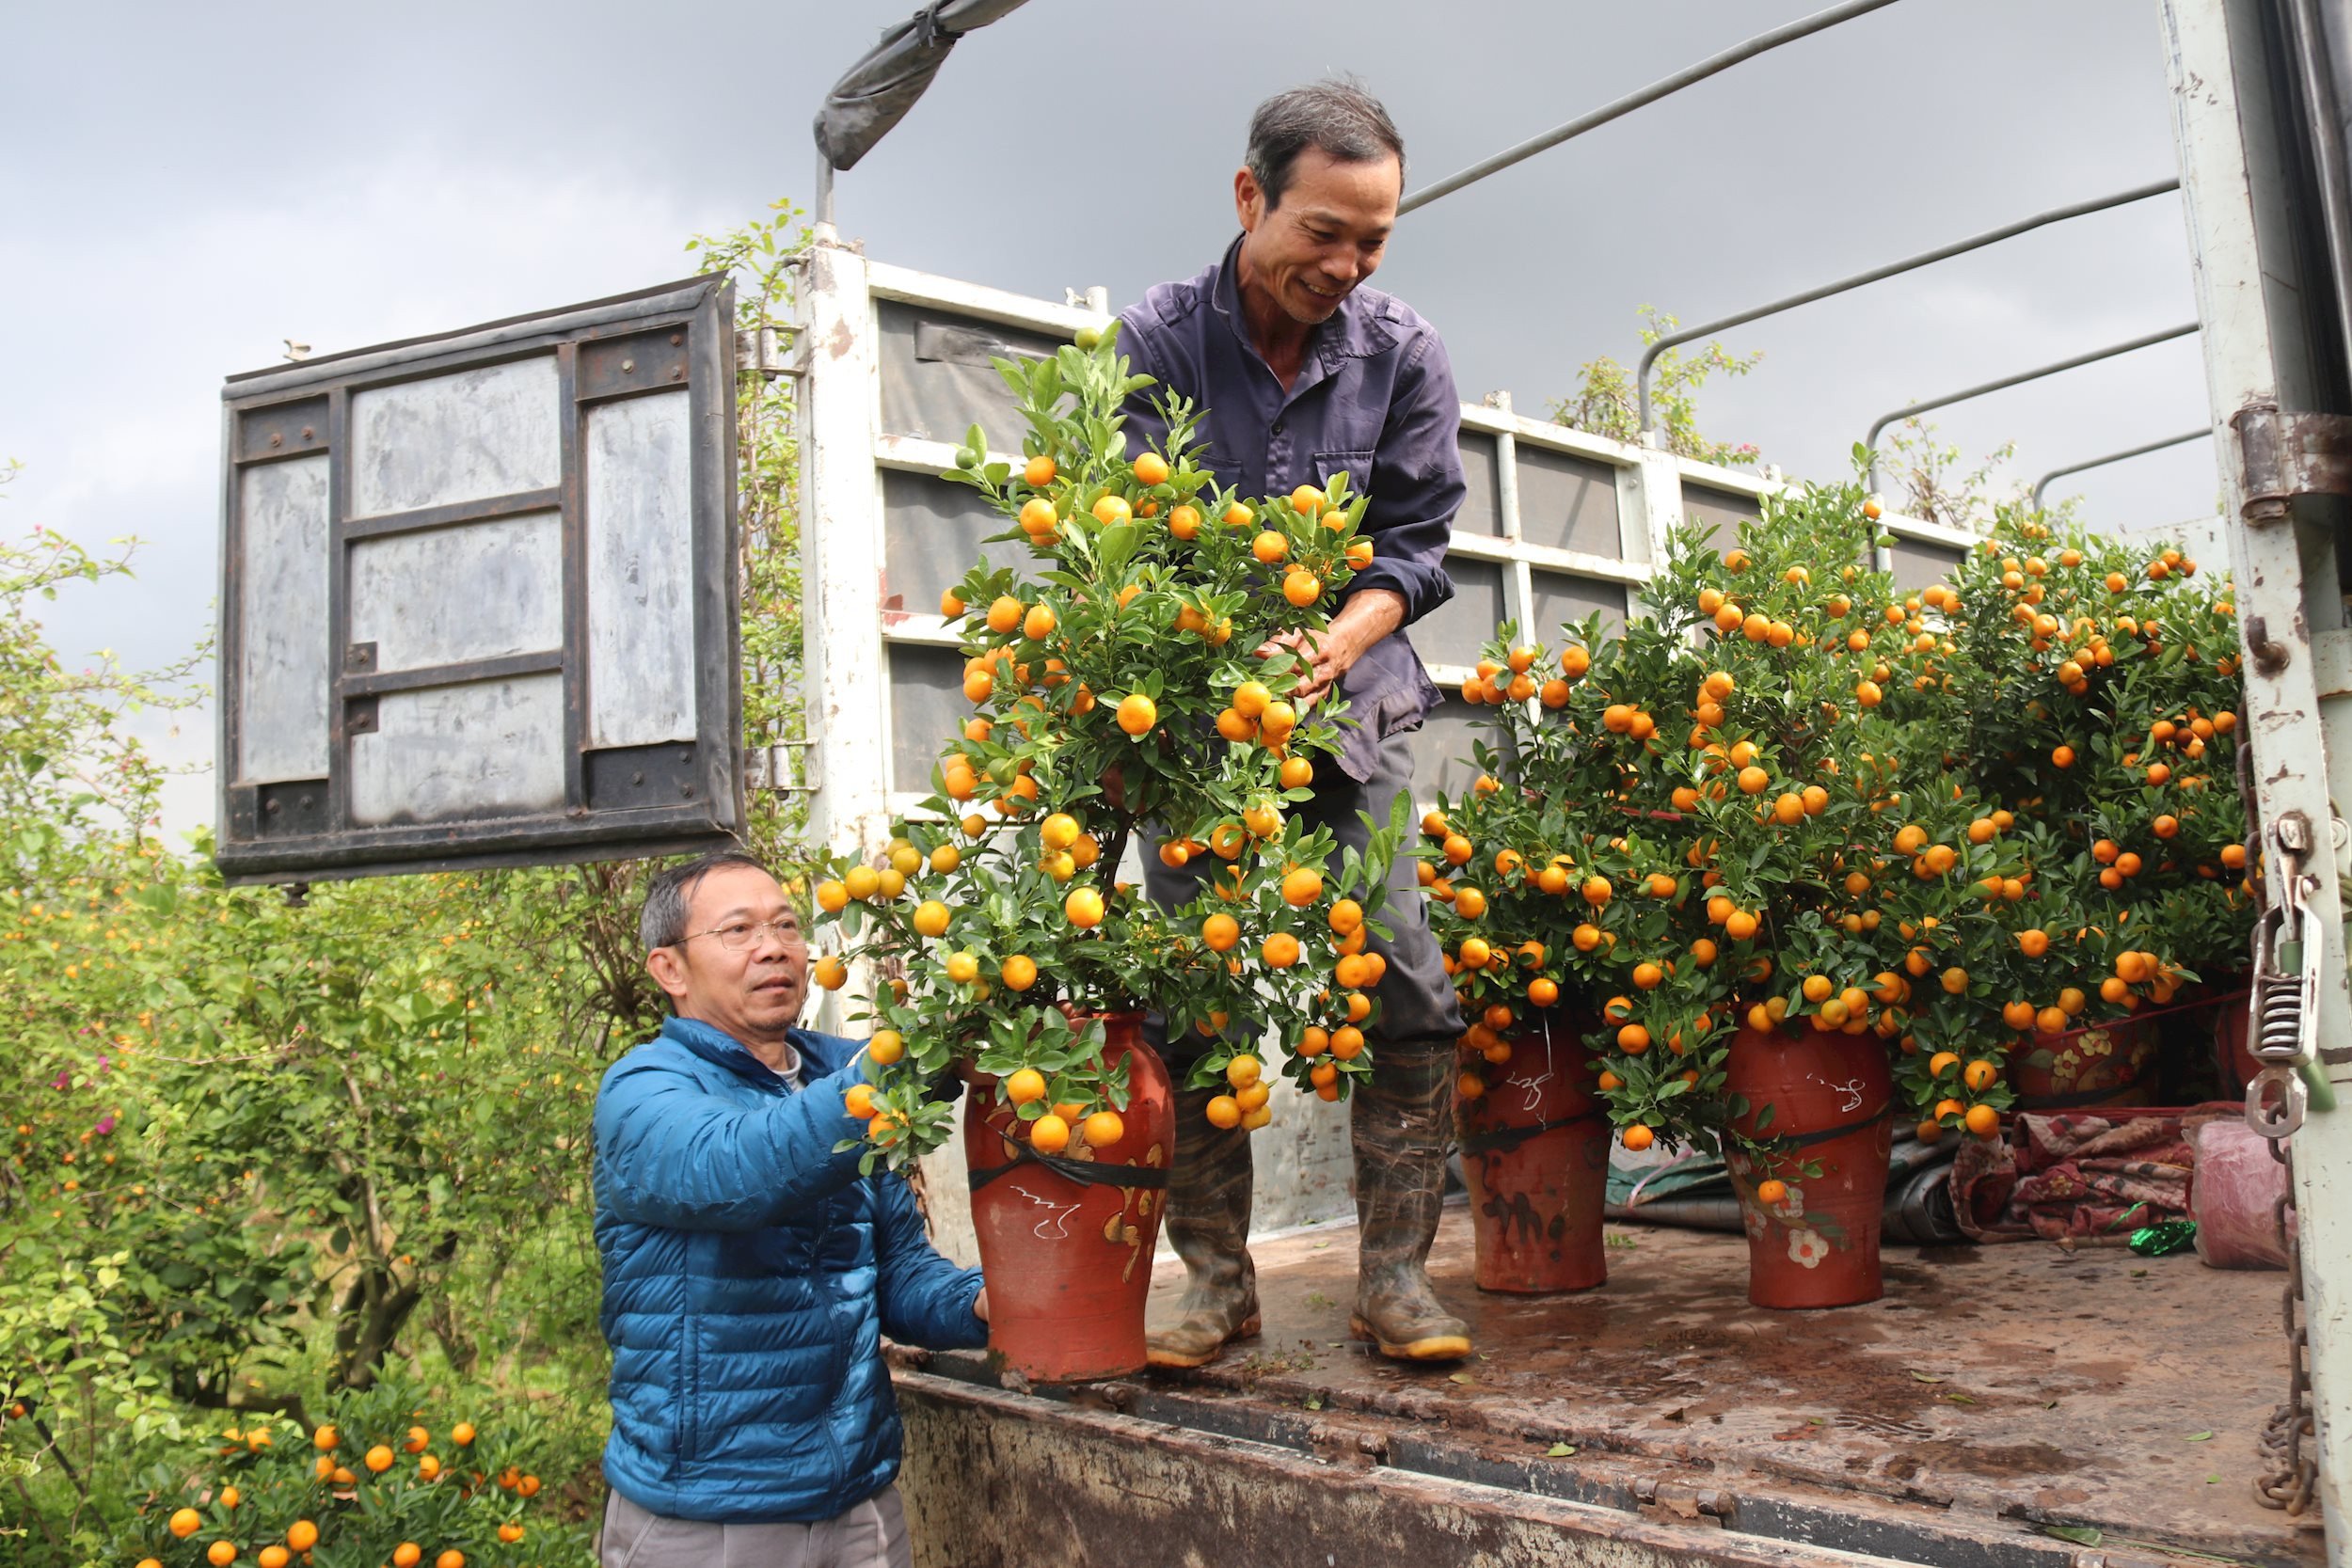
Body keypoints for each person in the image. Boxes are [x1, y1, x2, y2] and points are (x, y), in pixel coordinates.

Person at [1118, 79, 1471, 1367]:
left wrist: (1341, 634)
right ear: (1249, 195)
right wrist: (1214, 643)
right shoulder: (1158, 340)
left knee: (1403, 974)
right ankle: (1217, 1281)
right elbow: (1122, 539)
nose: (1346, 263)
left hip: (1351, 715)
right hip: (1198, 728)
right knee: (1193, 989)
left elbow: (1420, 545)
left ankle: (1393, 1279)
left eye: (1372, 239)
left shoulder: (1403, 351)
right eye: (1323, 229)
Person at [592, 850, 986, 1568]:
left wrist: (987, 1302)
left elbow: (896, 1273)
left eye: (785, 924)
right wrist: (899, 1059)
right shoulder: (642, 1092)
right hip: (708, 1517)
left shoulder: (842, 1081)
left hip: (859, 1505)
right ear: (670, 970)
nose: (773, 945)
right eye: (738, 930)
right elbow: (744, 1167)